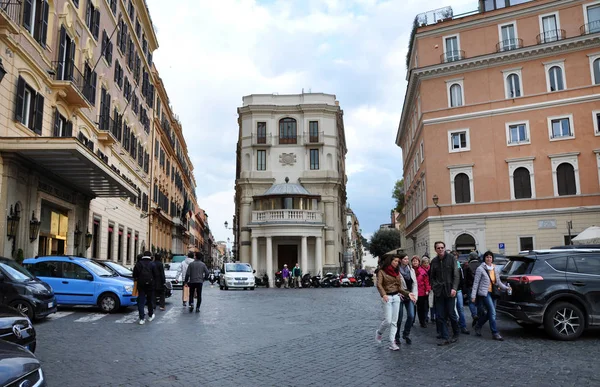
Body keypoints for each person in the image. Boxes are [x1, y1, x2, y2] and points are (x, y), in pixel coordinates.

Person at [375, 254, 417, 351]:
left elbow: (399, 287)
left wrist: (408, 294)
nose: (397, 263)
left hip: (396, 297)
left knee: (394, 321)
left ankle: (392, 342)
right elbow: (379, 284)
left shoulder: (396, 272)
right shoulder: (382, 271)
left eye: (398, 261)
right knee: (388, 320)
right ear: (390, 261)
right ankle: (379, 332)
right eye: (395, 261)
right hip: (387, 297)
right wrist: (383, 294)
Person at [471, 251, 509, 341]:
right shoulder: (480, 269)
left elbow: (498, 282)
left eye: (490, 257)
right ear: (484, 258)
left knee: (490, 313)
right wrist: (473, 296)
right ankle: (495, 333)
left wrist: (506, 288)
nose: (489, 259)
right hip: (485, 293)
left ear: (492, 259)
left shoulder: (494, 268)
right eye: (487, 257)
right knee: (492, 312)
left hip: (493, 293)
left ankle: (478, 325)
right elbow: (476, 283)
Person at [430, 241, 460, 346]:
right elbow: (432, 277)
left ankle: (456, 333)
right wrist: (435, 287)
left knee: (451, 314)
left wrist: (454, 288)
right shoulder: (434, 261)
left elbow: (456, 275)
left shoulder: (451, 258)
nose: (440, 249)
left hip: (450, 290)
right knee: (440, 315)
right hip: (439, 292)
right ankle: (446, 337)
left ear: (444, 248)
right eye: (438, 248)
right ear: (435, 250)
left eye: (442, 247)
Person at [395, 254, 418, 345]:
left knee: (411, 316)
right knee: (399, 318)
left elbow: (414, 284)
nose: (407, 260)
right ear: (400, 260)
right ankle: (397, 337)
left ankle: (406, 334)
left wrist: (415, 295)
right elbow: (394, 284)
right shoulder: (396, 271)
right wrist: (397, 293)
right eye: (405, 259)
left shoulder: (411, 270)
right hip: (400, 295)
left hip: (410, 295)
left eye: (408, 259)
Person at [133, 251, 160, 325]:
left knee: (141, 301)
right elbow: (156, 275)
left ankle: (142, 318)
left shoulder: (138, 264)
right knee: (150, 300)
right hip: (150, 285)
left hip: (141, 285)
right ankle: (150, 315)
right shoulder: (152, 264)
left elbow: (134, 275)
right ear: (150, 256)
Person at [451, 251, 470, 335]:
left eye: (456, 256)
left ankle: (463, 326)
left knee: (460, 308)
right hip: (451, 290)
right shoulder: (449, 266)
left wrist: (464, 290)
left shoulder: (460, 267)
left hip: (458, 290)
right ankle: (455, 326)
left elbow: (462, 279)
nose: (455, 257)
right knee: (452, 309)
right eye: (453, 256)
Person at [463, 251, 480, 327]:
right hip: (480, 287)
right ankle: (479, 316)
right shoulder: (481, 265)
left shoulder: (467, 266)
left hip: (470, 286)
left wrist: (465, 289)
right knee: (479, 302)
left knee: (471, 302)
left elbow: (465, 278)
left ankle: (474, 314)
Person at [415, 256, 431, 328]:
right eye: (425, 263)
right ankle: (422, 321)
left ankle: (425, 318)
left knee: (426, 306)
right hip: (419, 292)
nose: (426, 264)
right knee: (420, 307)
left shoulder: (429, 269)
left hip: (425, 291)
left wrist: (427, 289)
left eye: (427, 263)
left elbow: (427, 281)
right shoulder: (420, 270)